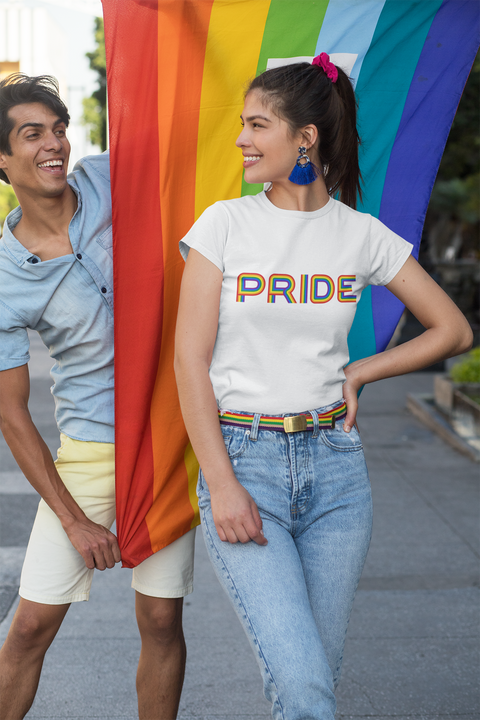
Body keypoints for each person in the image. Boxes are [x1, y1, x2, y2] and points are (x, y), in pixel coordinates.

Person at [174, 54, 473, 720]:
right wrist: (221, 484)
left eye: (258, 124)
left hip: (337, 478)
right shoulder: (224, 227)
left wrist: (361, 371)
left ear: (305, 137)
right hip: (244, 461)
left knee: (314, 683)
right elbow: (188, 362)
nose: (241, 139)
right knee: (304, 684)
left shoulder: (360, 236)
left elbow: (452, 330)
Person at [0, 74, 195, 720]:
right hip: (89, 453)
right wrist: (74, 519)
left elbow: (184, 146)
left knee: (161, 618)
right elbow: (11, 412)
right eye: (33, 134)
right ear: (2, 161)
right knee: (29, 629)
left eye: (58, 129)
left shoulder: (111, 178)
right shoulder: (4, 275)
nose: (54, 144)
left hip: (166, 440)